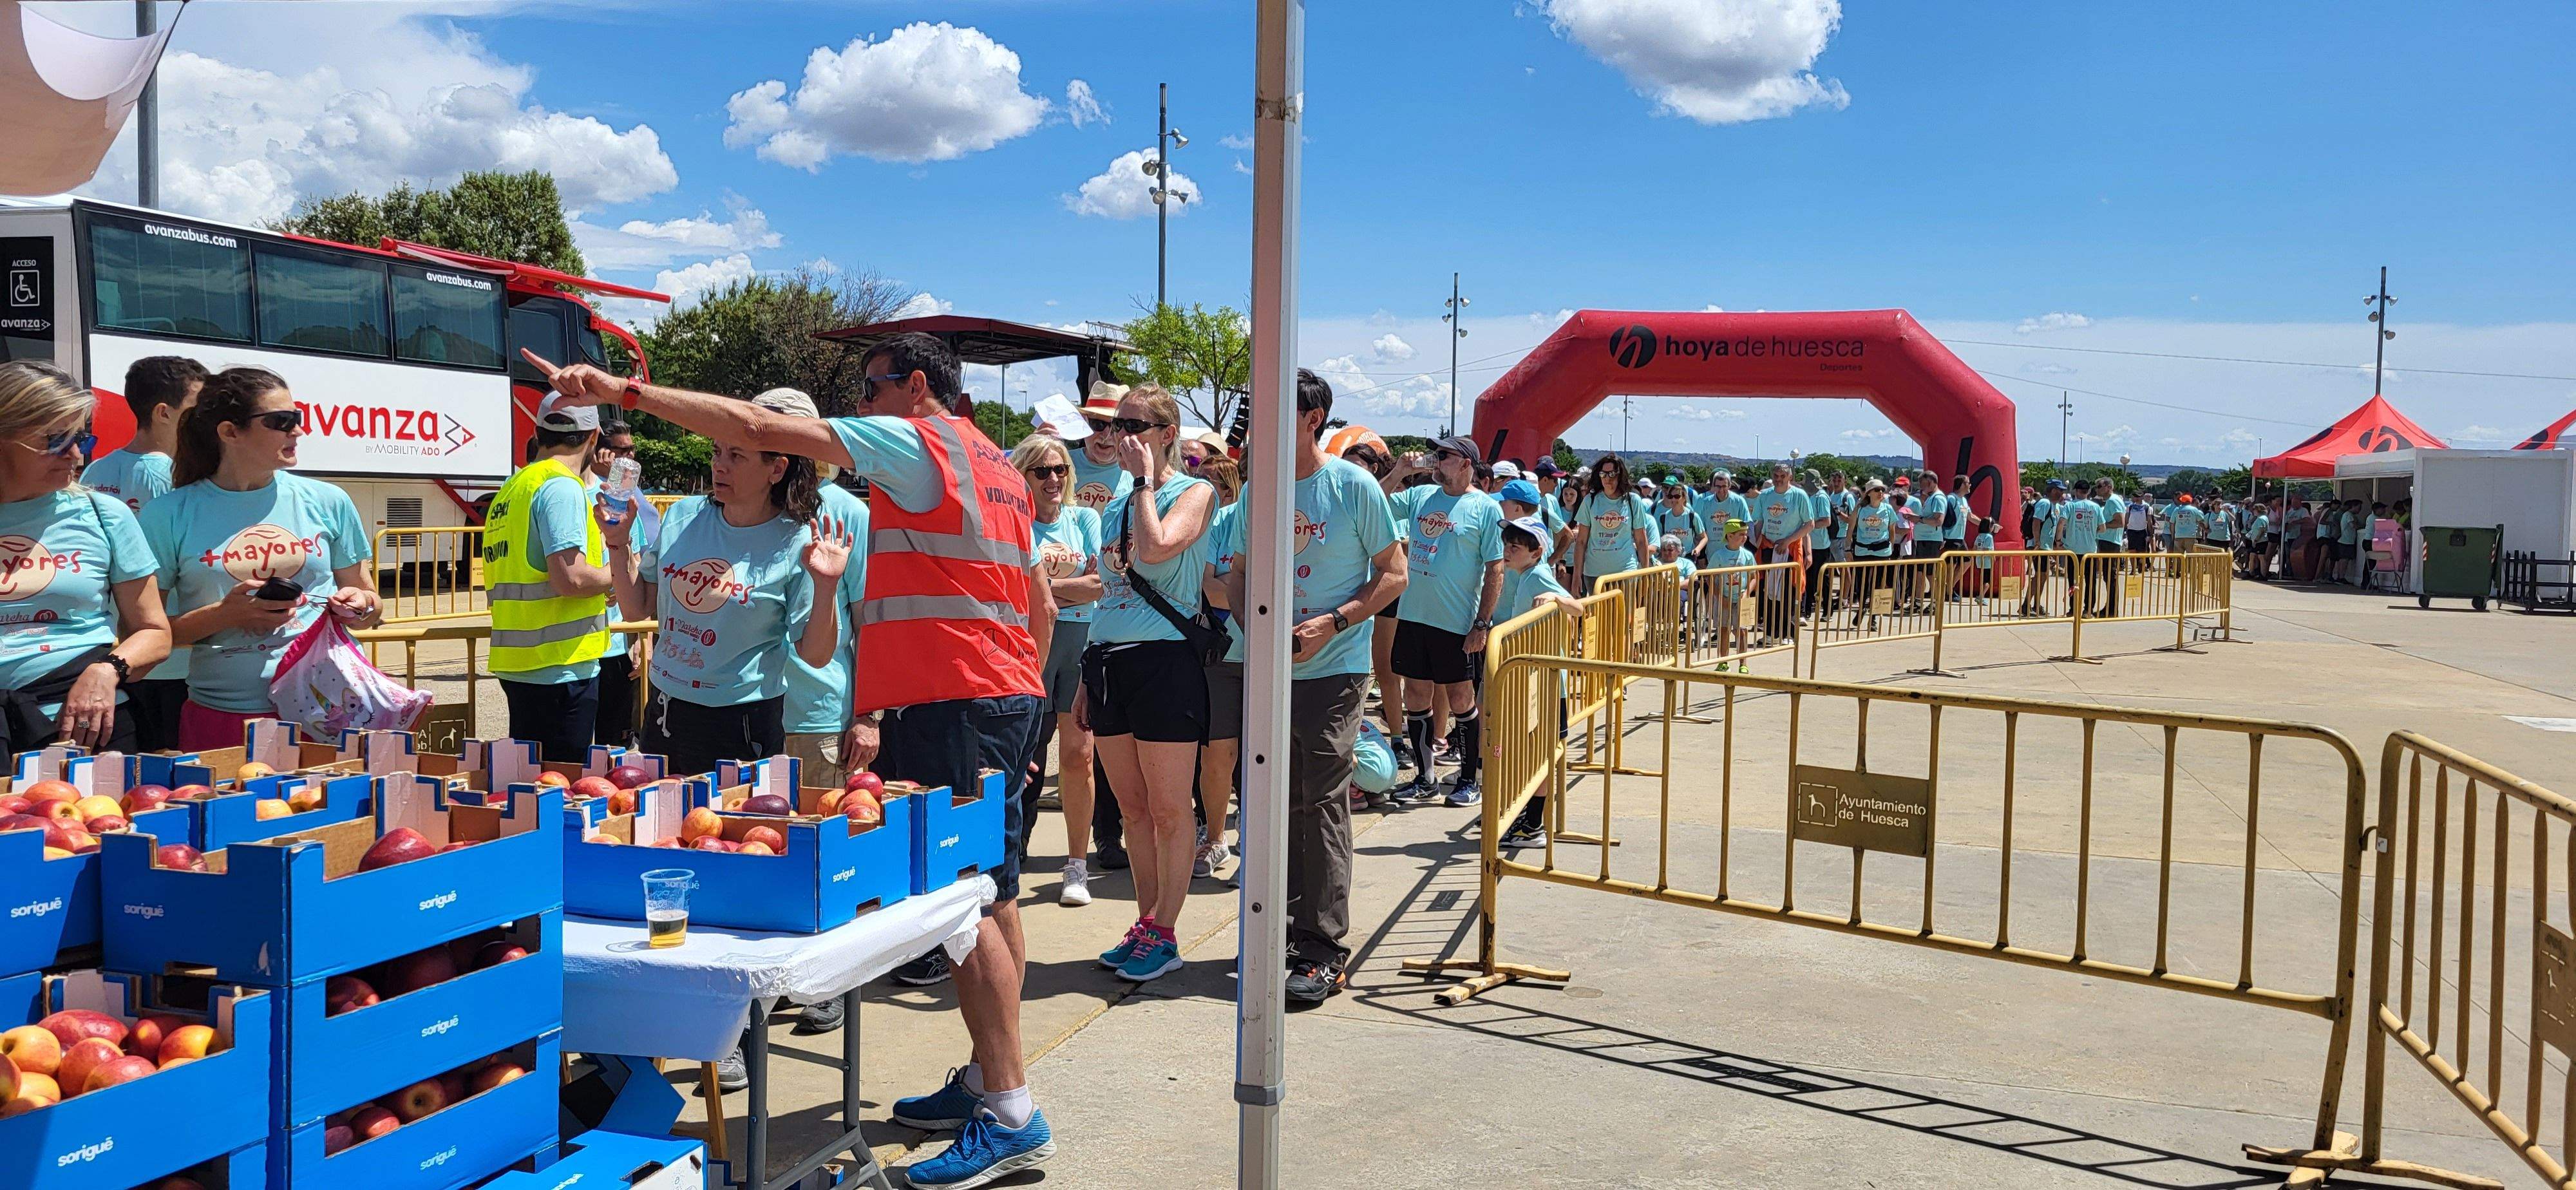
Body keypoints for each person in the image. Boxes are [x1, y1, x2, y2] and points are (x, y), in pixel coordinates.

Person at [525, 332, 1056, 1186]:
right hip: (991, 696)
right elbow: (1031, 593)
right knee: (995, 896)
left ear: (915, 387)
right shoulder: (992, 461)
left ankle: (1009, 1107)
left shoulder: (923, 440)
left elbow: (755, 422)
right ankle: (986, 1077)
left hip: (960, 701)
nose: (863, 406)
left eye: (872, 388)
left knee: (973, 903)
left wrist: (624, 387)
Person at [1219, 368, 1406, 1002]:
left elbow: (1394, 573)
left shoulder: (1351, 486)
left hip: (1335, 670)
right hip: (1267, 670)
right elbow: (1238, 572)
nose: (1260, 423)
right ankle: (1282, 935)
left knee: (1320, 795)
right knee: (1269, 798)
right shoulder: (1257, 491)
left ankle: (1322, 947)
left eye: (1275, 409)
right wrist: (1255, 626)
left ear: (1310, 419)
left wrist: (1334, 622)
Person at [142, 367, 381, 750]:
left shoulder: (329, 500)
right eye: (281, 421)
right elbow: (142, 632)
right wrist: (226, 615)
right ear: (230, 432)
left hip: (329, 708)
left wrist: (359, 605)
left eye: (298, 418)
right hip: (223, 713)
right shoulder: (168, 513)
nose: (298, 431)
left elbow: (371, 604)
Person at [0, 361, 173, 756]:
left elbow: (154, 631)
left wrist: (108, 671)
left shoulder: (103, 514)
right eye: (55, 440)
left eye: (82, 439)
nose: (76, 454)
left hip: (83, 724)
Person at [81, 354, 204, 749]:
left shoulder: (96, 470)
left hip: (122, 648)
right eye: (196, 409)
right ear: (164, 413)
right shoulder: (166, 474)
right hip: (172, 655)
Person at [484, 402, 616, 763]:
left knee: (529, 786)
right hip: (561, 665)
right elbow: (570, 578)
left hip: (521, 661)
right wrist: (615, 575)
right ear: (593, 437)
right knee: (561, 788)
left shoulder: (513, 488)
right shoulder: (562, 487)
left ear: (538, 434)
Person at [1383, 435, 1504, 809]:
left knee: (1461, 699)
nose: (1436, 461)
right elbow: (1374, 503)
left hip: (1456, 623)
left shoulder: (1484, 507)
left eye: (1445, 456)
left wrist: (1482, 625)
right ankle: (1425, 778)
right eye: (1435, 454)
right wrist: (1400, 471)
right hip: (1414, 615)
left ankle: (1470, 779)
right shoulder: (1420, 496)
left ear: (1466, 463)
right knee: (1416, 696)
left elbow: (1495, 567)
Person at [1014, 435, 1104, 907]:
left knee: (1078, 757)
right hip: (1029, 646)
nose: (1054, 480)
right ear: (1023, 475)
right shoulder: (1016, 523)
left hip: (1077, 646)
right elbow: (1015, 589)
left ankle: (1076, 866)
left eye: (1061, 470)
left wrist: (1044, 589)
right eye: (1042, 471)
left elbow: (1100, 584)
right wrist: (1065, 588)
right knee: (1021, 755)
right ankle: (1012, 849)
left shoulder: (1084, 518)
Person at [773, 391, 872, 795]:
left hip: (820, 720)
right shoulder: (743, 510)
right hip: (746, 713)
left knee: (819, 842)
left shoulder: (849, 512)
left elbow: (868, 621)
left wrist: (868, 716)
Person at [1191, 453, 1244, 881]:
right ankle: (1215, 838)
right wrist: (1250, 591)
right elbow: (1207, 587)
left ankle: (1256, 845)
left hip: (1275, 659)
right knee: (1217, 757)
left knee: (1265, 759)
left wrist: (1235, 589)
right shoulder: (1216, 528)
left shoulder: (1275, 519)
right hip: (1222, 656)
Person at [587, 419, 643, 747]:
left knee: (616, 742)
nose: (630, 458)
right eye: (622, 451)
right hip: (586, 640)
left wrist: (639, 637)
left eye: (633, 450)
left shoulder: (629, 501)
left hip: (619, 638)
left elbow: (634, 563)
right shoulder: (582, 492)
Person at [1568, 453, 1652, 597]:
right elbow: (1581, 542)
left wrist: (1645, 573)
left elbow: (1641, 540)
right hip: (1595, 573)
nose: (1607, 479)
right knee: (1600, 619)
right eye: (1603, 474)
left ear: (1621, 476)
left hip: (1625, 570)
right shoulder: (1590, 501)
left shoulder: (1633, 501)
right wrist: (1577, 576)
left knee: (1624, 618)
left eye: (1612, 474)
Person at [1747, 462, 1813, 641]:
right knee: (1768, 590)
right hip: (1769, 547)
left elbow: (1809, 524)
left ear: (1789, 477)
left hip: (1790, 548)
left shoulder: (1799, 496)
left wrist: (1789, 541)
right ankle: (1770, 632)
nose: (1779, 480)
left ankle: (1787, 634)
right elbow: (1759, 522)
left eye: (1782, 476)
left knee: (1788, 591)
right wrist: (1754, 546)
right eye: (1776, 476)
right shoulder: (1765, 496)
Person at [1068, 382, 1137, 517]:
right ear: (1085, 422)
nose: (1106, 435)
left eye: (1115, 426)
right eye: (1098, 424)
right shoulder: (1062, 464)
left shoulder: (1137, 472)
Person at [1846, 480, 1897, 621]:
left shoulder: (1888, 509)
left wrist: (1890, 548)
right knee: (1861, 582)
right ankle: (1862, 608)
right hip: (1862, 550)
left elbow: (1892, 531)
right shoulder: (1860, 509)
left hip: (1882, 551)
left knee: (1879, 584)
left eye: (1882, 490)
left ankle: (1874, 617)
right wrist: (1847, 548)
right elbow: (1850, 529)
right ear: (1869, 493)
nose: (1880, 493)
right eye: (1877, 490)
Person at [1706, 518, 1756, 659]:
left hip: (1741, 598)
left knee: (1742, 631)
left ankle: (1743, 663)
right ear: (1730, 536)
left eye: (1746, 534)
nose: (1745, 538)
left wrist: (1746, 594)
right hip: (1724, 598)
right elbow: (1709, 577)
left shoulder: (1748, 555)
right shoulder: (1719, 556)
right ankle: (1724, 661)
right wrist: (1721, 597)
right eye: (1741, 534)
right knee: (1723, 631)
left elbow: (1754, 577)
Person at [1654, 478, 1707, 563]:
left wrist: (1698, 549)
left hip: (1688, 558)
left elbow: (1704, 537)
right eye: (1670, 497)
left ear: (1684, 498)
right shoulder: (1663, 518)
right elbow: (1657, 539)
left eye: (1677, 496)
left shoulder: (1692, 516)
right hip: (1668, 559)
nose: (1673, 500)